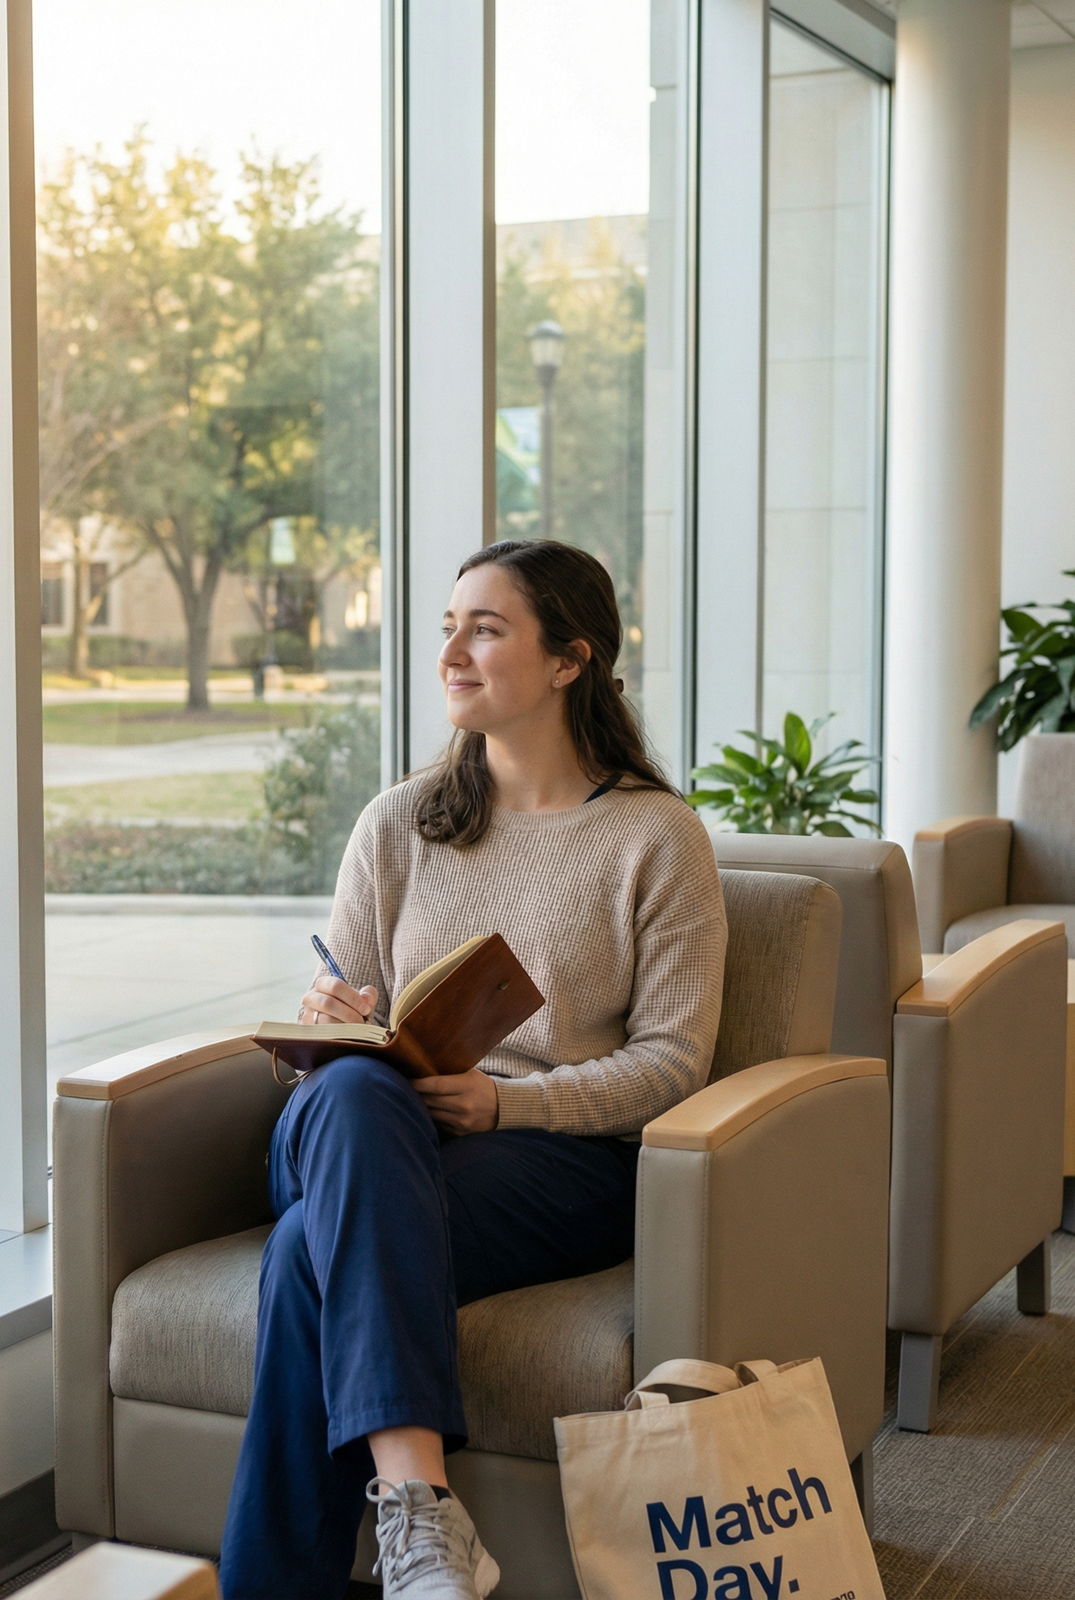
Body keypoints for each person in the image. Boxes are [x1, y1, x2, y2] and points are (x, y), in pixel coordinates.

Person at [218, 540, 728, 1600]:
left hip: (549, 1158)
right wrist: (337, 1019)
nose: (450, 648)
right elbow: (340, 1005)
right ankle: (419, 1513)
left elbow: (676, 1062)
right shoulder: (398, 823)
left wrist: (506, 1101)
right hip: (366, 1127)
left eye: (484, 629)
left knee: (311, 1250)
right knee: (355, 1091)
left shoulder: (654, 837)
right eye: (448, 625)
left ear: (568, 660)